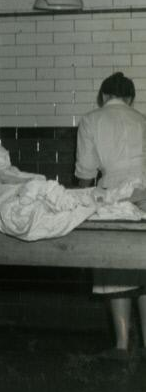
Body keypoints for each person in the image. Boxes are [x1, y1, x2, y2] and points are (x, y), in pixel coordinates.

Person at [75, 71, 146, 357]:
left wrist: (80, 200)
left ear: (104, 96)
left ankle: (121, 344)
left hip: (113, 200)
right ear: (130, 98)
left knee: (115, 269)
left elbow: (85, 173)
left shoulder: (92, 120)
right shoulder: (143, 120)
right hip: (145, 198)